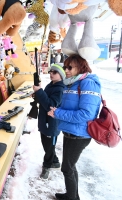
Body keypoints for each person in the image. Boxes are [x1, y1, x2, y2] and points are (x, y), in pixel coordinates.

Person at [47, 54, 101, 200]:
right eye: (65, 67)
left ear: (81, 66)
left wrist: (58, 113)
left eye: (70, 67)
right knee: (70, 166)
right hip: (70, 131)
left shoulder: (88, 83)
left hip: (80, 134)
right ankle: (72, 195)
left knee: (67, 168)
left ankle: (72, 197)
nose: (67, 70)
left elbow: (86, 114)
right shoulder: (72, 82)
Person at [33, 63, 65, 179]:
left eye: (55, 72)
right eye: (50, 72)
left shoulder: (60, 89)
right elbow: (44, 100)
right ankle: (55, 161)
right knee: (47, 146)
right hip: (45, 122)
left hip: (52, 124)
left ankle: (47, 166)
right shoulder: (51, 85)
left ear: (61, 75)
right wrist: (38, 93)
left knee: (49, 148)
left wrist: (40, 91)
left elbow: (51, 105)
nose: (51, 74)